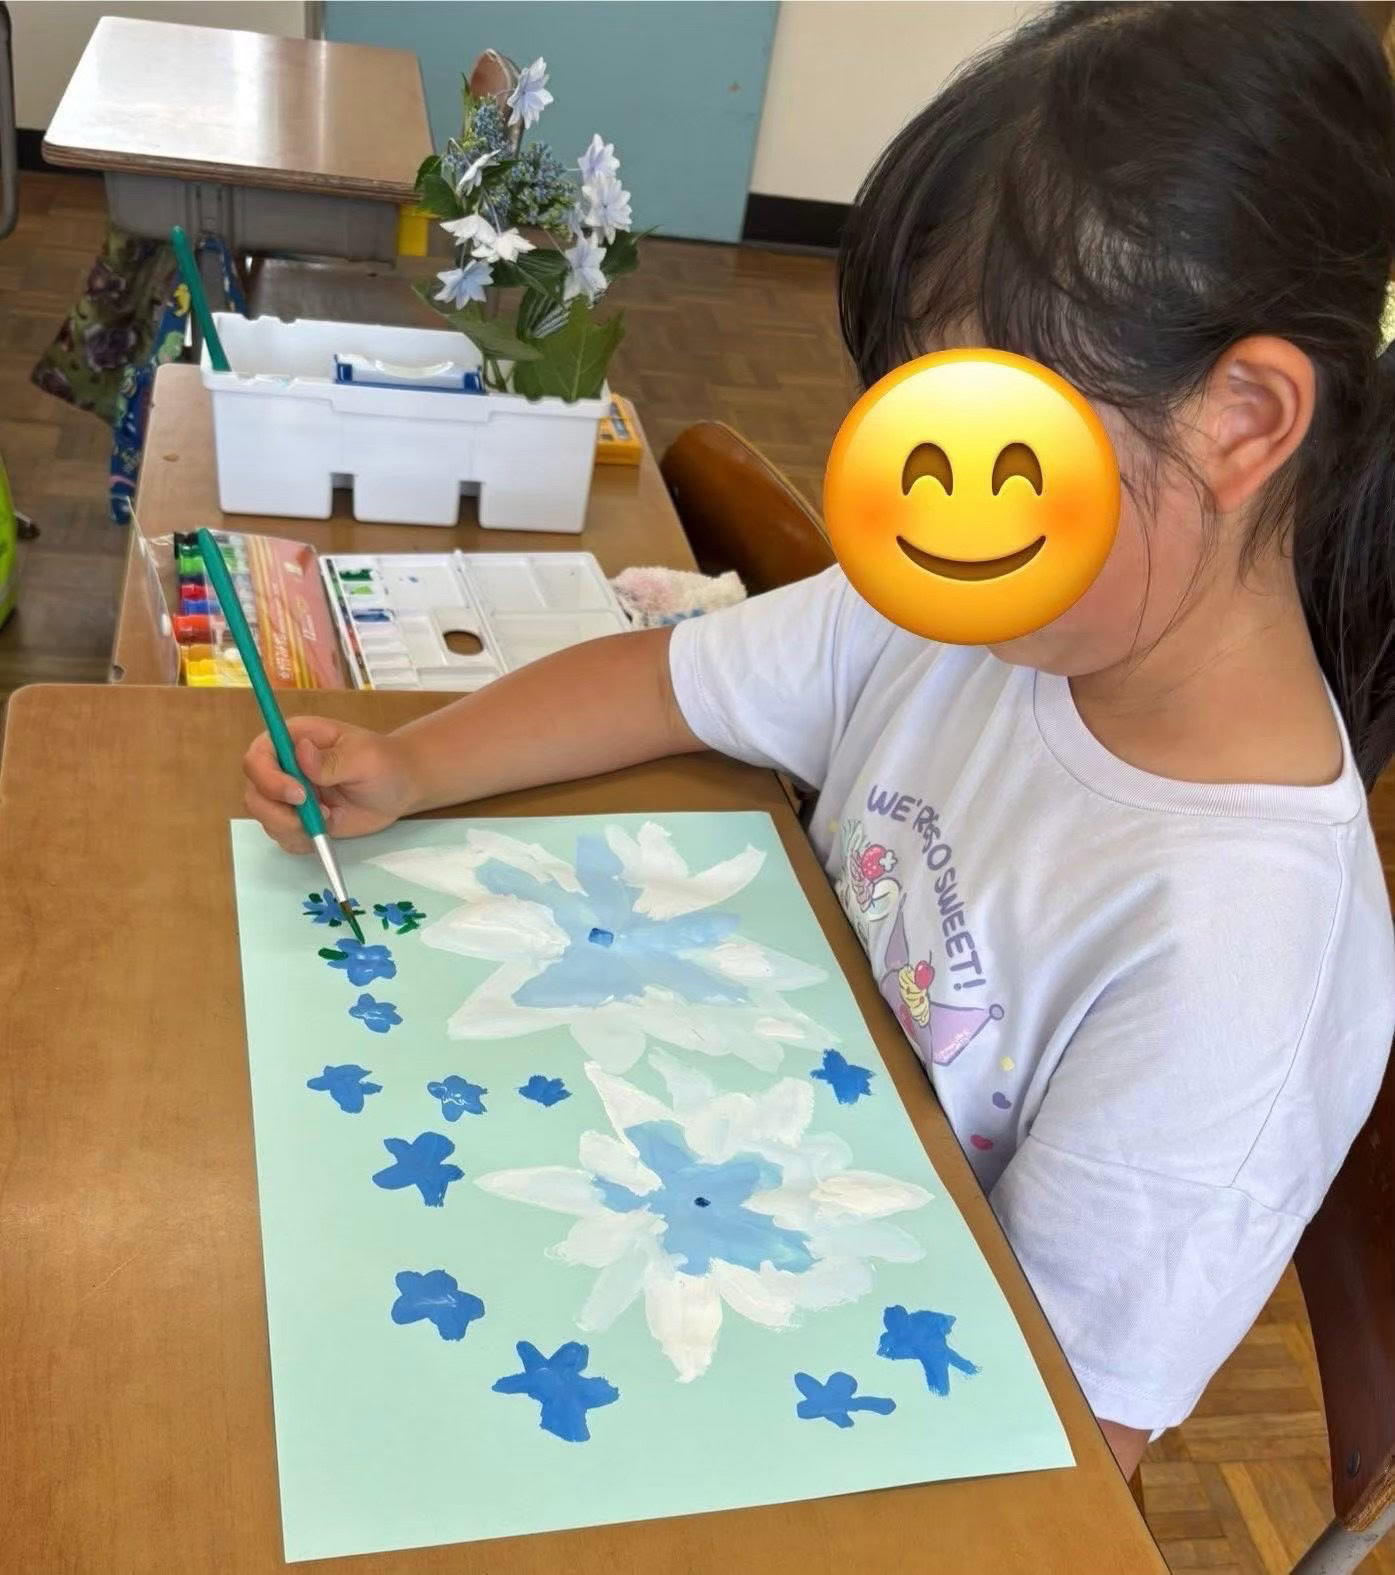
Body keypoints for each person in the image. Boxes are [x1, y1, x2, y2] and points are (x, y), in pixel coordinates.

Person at [244, 2, 1395, 1476]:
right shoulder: (968, 610)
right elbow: (671, 681)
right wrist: (416, 764)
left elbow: (1049, 1441)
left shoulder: (1246, 955)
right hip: (690, 1185)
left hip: (840, 1418)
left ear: (1242, 418)